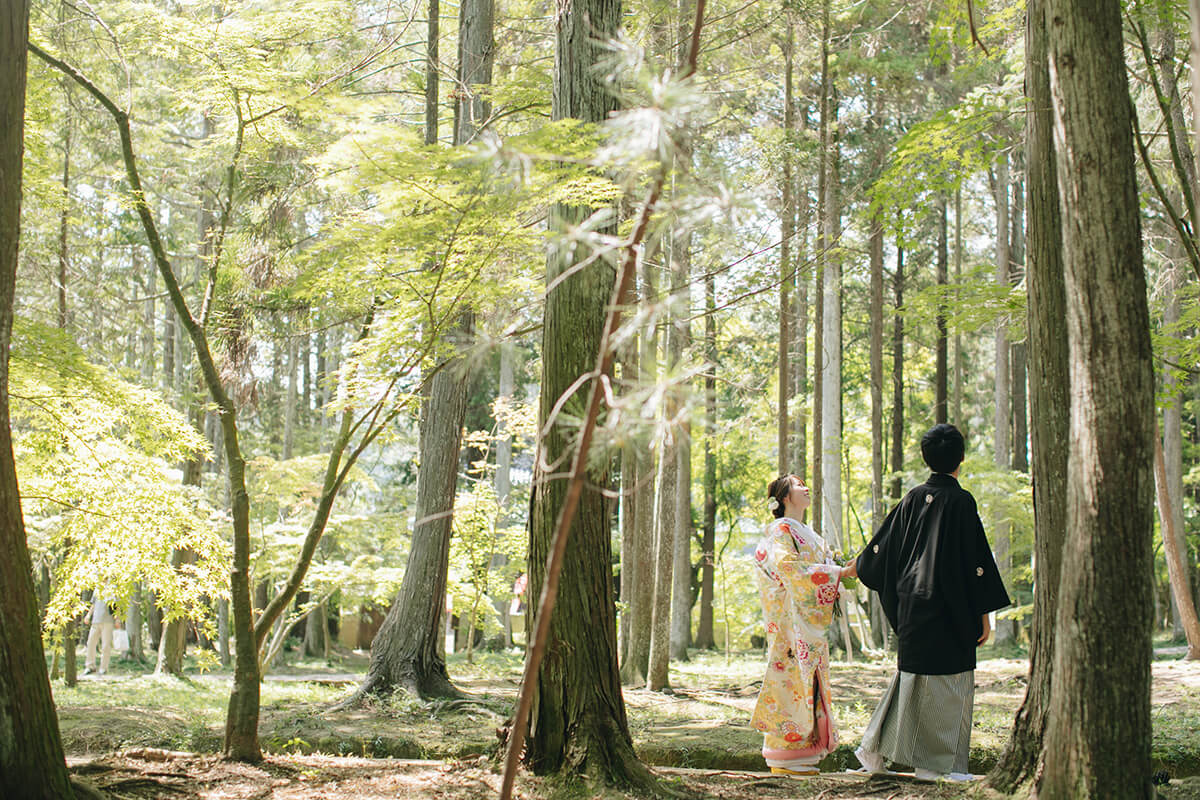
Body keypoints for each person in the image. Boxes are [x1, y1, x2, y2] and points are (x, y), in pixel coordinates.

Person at [847, 423, 1010, 782]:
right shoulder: (961, 500)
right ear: (961, 458)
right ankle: (935, 766)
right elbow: (975, 564)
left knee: (912, 677)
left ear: (926, 458)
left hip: (911, 603)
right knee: (947, 684)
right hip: (949, 606)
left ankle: (873, 750)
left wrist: (857, 567)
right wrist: (984, 616)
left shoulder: (912, 498)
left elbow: (881, 548)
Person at [750, 474, 853, 776]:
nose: (806, 487)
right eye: (797, 485)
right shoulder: (780, 530)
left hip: (806, 619)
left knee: (809, 682)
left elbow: (814, 567)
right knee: (791, 681)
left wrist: (838, 570)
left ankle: (805, 754)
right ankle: (786, 755)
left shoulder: (805, 532)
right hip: (790, 622)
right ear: (784, 497)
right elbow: (789, 569)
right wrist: (837, 572)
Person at [83, 590, 120, 676]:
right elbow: (93, 604)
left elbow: (117, 606)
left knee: (106, 645)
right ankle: (90, 666)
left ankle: (103, 668)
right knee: (90, 643)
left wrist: (117, 619)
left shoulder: (113, 589)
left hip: (108, 621)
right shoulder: (97, 588)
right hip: (96, 620)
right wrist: (88, 615)